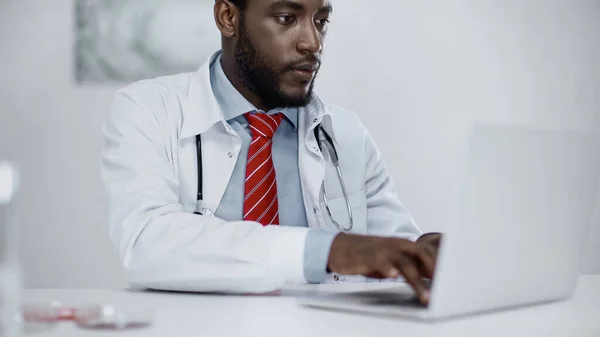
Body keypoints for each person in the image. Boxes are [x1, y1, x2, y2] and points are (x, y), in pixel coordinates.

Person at [101, 0, 442, 305]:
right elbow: (147, 244)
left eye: (321, 21)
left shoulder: (344, 131)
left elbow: (388, 244)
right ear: (228, 17)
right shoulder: (149, 110)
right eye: (286, 18)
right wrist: (327, 250)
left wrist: (423, 252)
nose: (314, 42)